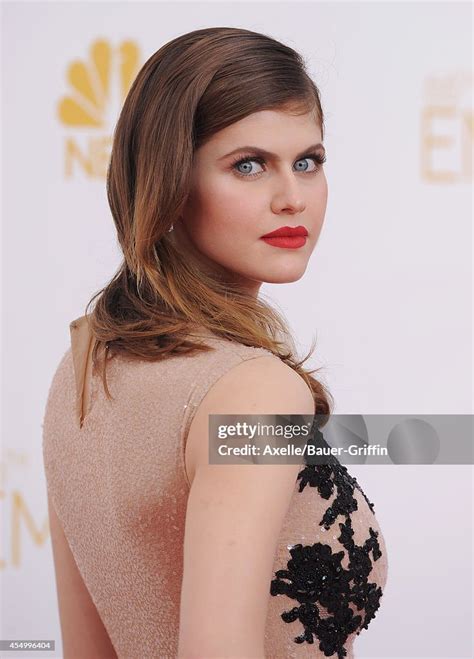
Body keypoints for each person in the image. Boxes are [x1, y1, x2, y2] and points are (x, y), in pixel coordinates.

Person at [42, 26, 389, 659]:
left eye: (307, 161)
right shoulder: (253, 390)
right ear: (170, 181)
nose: (292, 198)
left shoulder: (85, 361)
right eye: (249, 165)